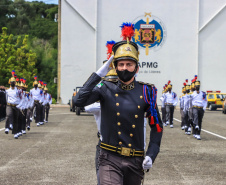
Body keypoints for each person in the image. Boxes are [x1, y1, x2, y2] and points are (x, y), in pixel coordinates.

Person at [73, 22, 163, 185]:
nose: (124, 68)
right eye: (120, 64)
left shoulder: (147, 91)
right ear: (114, 66)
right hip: (109, 157)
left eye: (129, 64)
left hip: (135, 160)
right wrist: (99, 73)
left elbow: (156, 126)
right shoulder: (104, 86)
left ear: (136, 67)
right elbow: (78, 101)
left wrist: (151, 153)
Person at [5, 70, 20, 139]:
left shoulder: (18, 91)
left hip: (16, 106)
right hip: (9, 105)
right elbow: (6, 98)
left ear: (15, 83)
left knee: (16, 119)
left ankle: (15, 133)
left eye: (13, 82)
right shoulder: (7, 91)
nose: (12, 83)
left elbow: (20, 98)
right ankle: (7, 127)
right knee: (9, 114)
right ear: (9, 83)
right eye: (11, 82)